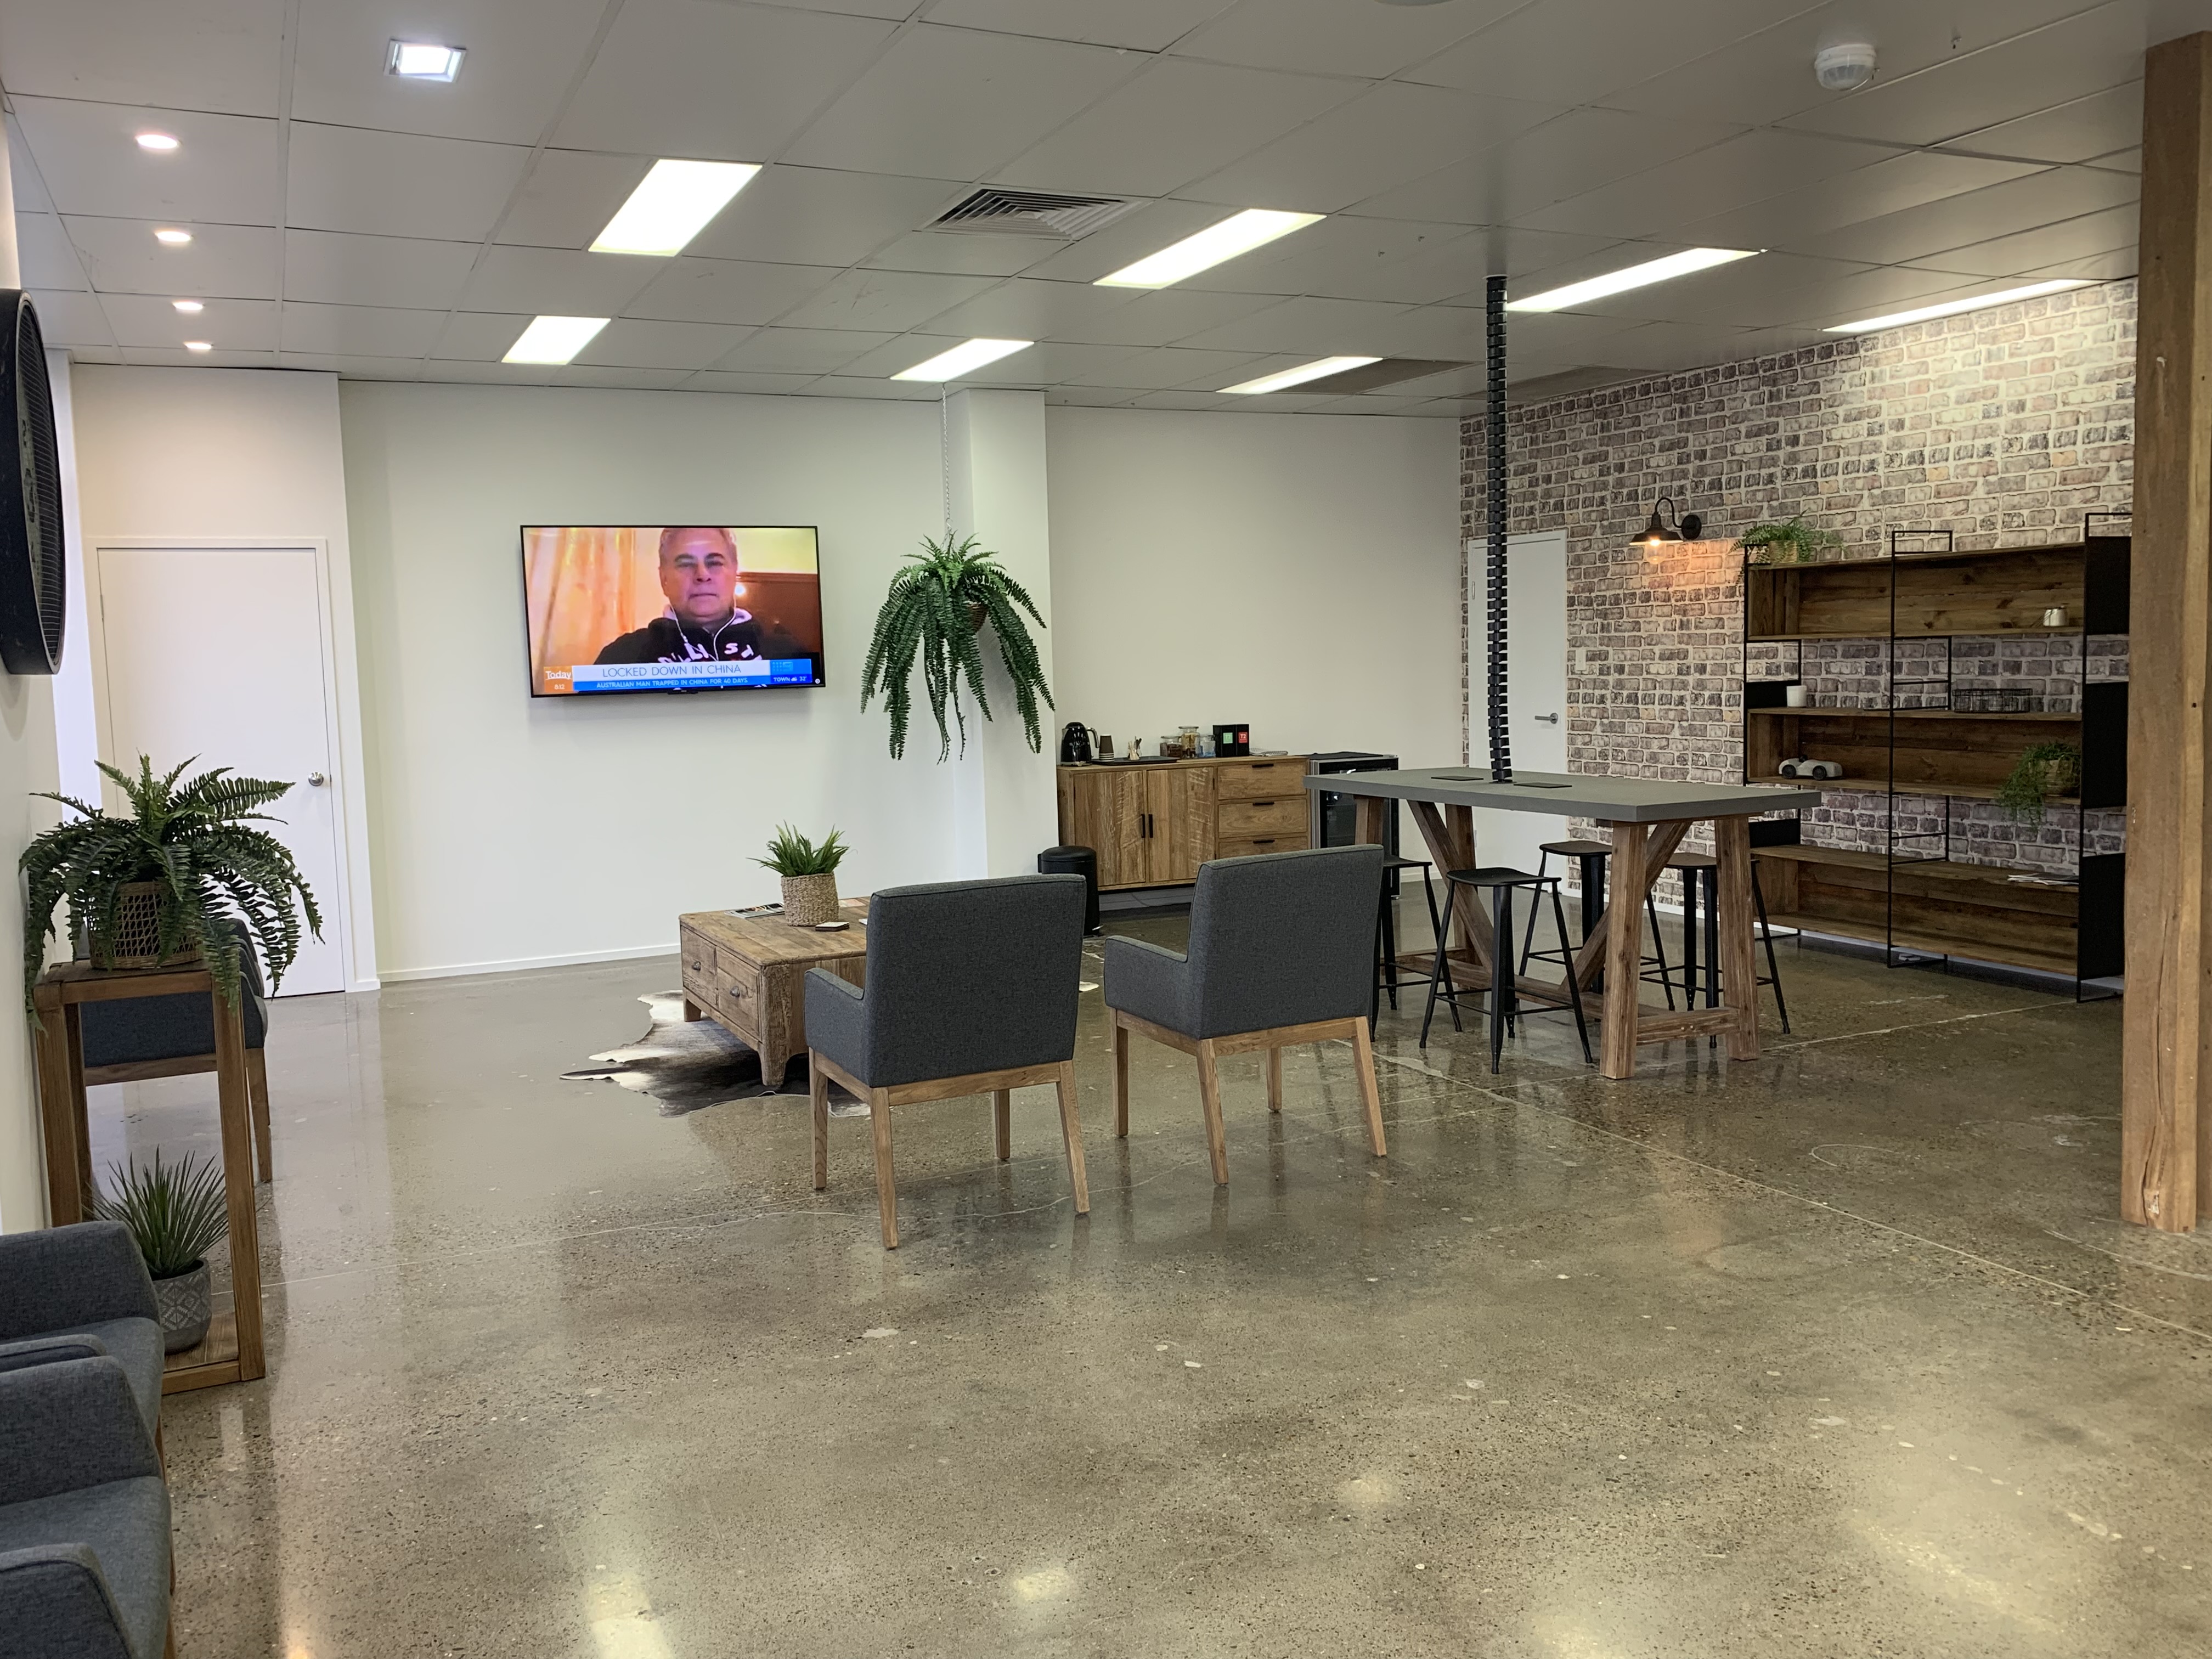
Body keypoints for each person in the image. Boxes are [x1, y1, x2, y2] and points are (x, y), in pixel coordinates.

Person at [595, 526, 795, 666]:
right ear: (664, 579)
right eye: (685, 564)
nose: (702, 575)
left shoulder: (787, 652)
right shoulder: (622, 656)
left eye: (715, 563)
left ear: (734, 572)